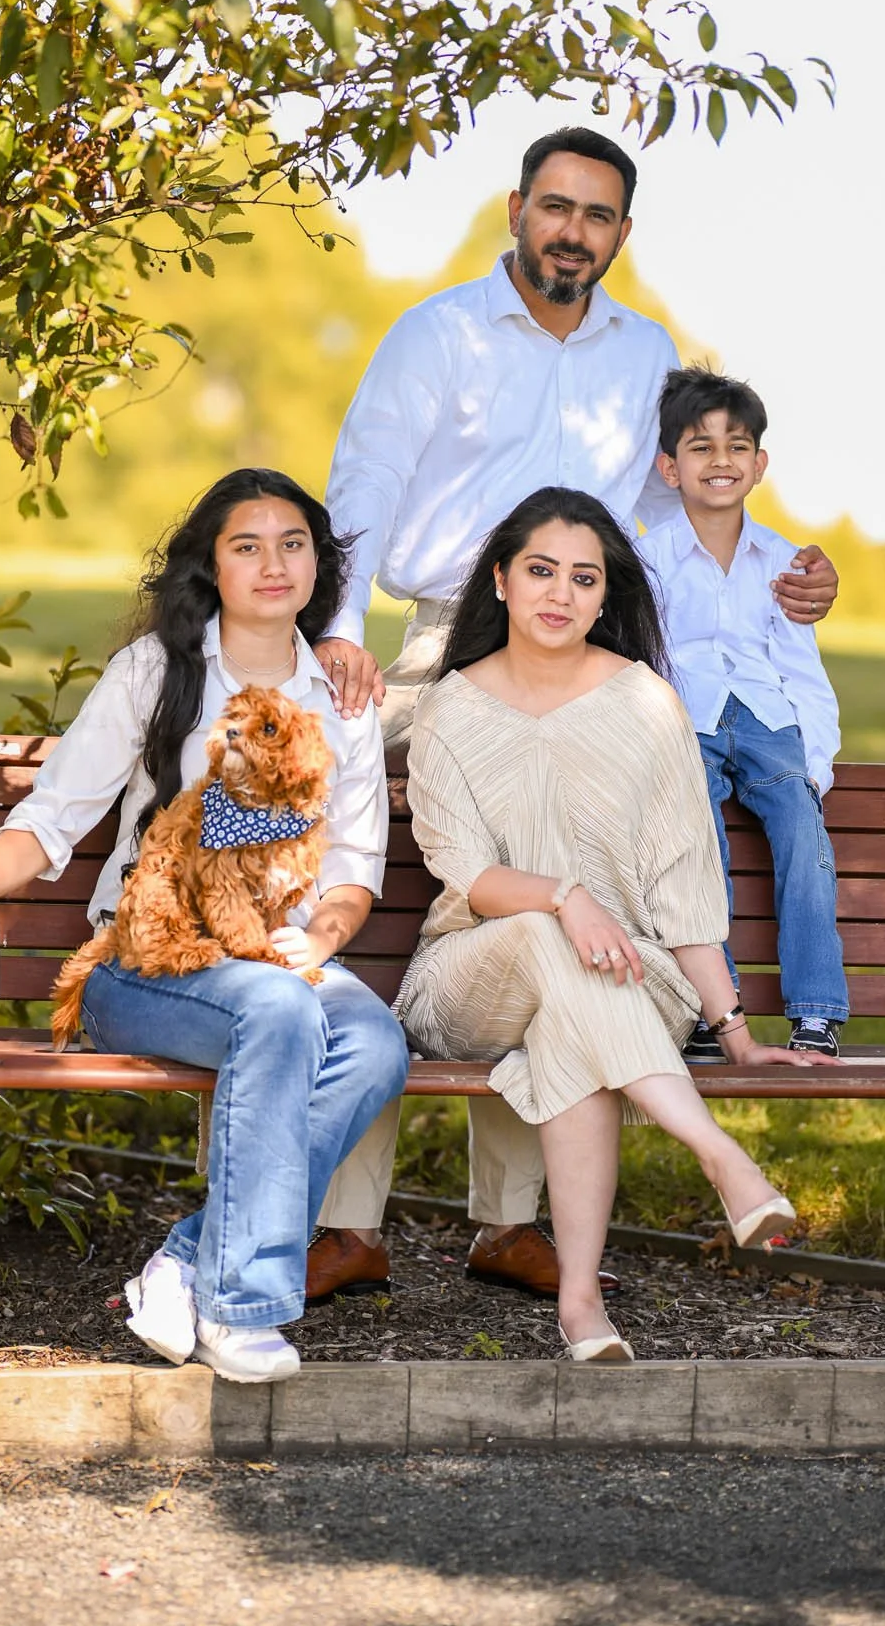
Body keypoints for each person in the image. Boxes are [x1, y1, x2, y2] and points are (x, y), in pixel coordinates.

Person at [307, 124, 843, 1303]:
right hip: (448, 631)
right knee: (374, 879)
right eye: (556, 208)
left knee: (543, 883)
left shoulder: (643, 353)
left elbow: (695, 485)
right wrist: (339, 634)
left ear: (621, 234)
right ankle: (343, 1219)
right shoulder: (438, 334)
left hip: (580, 644)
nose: (572, 233)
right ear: (516, 210)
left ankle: (508, 1222)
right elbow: (365, 484)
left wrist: (784, 574)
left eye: (597, 216)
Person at [0, 470, 408, 1384]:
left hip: (271, 961)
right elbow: (52, 818)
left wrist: (326, 938)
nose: (272, 564)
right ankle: (244, 1308)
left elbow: (354, 868)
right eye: (245, 546)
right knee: (279, 1012)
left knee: (374, 1042)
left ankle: (185, 1261)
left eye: (292, 544)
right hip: (146, 962)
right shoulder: (156, 672)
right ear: (208, 568)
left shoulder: (340, 697)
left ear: (318, 565)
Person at [394, 487, 827, 1361]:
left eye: (583, 578)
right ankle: (718, 1156)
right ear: (502, 581)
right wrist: (564, 895)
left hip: (625, 979)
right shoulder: (449, 709)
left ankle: (581, 1304)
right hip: (472, 974)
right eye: (541, 571)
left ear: (605, 595)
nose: (560, 593)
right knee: (552, 944)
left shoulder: (646, 703)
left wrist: (733, 1032)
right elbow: (468, 876)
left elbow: (682, 885)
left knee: (577, 1023)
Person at [639, 369, 849, 1056]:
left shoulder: (784, 562)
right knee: (697, 837)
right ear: (668, 467)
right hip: (684, 724)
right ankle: (712, 1005)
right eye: (699, 447)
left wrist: (813, 765)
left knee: (800, 830)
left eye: (736, 446)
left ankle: (815, 1010)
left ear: (758, 465)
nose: (720, 460)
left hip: (767, 720)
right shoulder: (647, 560)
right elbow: (643, 661)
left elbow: (801, 673)